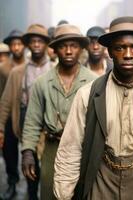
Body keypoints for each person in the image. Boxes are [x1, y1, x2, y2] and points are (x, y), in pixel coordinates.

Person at [54, 16, 133, 200]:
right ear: (110, 52)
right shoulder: (88, 94)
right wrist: (64, 193)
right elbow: (70, 148)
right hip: (100, 178)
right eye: (120, 47)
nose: (128, 54)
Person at [21, 24, 97, 200]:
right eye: (63, 46)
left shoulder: (94, 82)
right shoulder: (43, 83)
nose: (69, 51)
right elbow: (32, 120)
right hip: (52, 149)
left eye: (74, 46)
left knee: (82, 192)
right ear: (54, 50)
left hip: (82, 148)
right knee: (50, 192)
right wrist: (27, 152)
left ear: (81, 49)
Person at [0, 24, 51, 200]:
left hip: (48, 125)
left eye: (40, 41)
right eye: (33, 41)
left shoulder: (54, 69)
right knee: (29, 162)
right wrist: (0, 128)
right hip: (24, 121)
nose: (36, 44)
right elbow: (6, 102)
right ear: (28, 44)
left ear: (46, 44)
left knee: (48, 167)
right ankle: (30, 193)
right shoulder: (17, 72)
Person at [0, 29, 26, 200]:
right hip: (9, 115)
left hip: (27, 113)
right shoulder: (3, 68)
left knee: (30, 150)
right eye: (13, 44)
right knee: (9, 151)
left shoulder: (31, 65)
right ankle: (12, 182)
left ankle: (33, 184)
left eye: (19, 44)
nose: (16, 47)